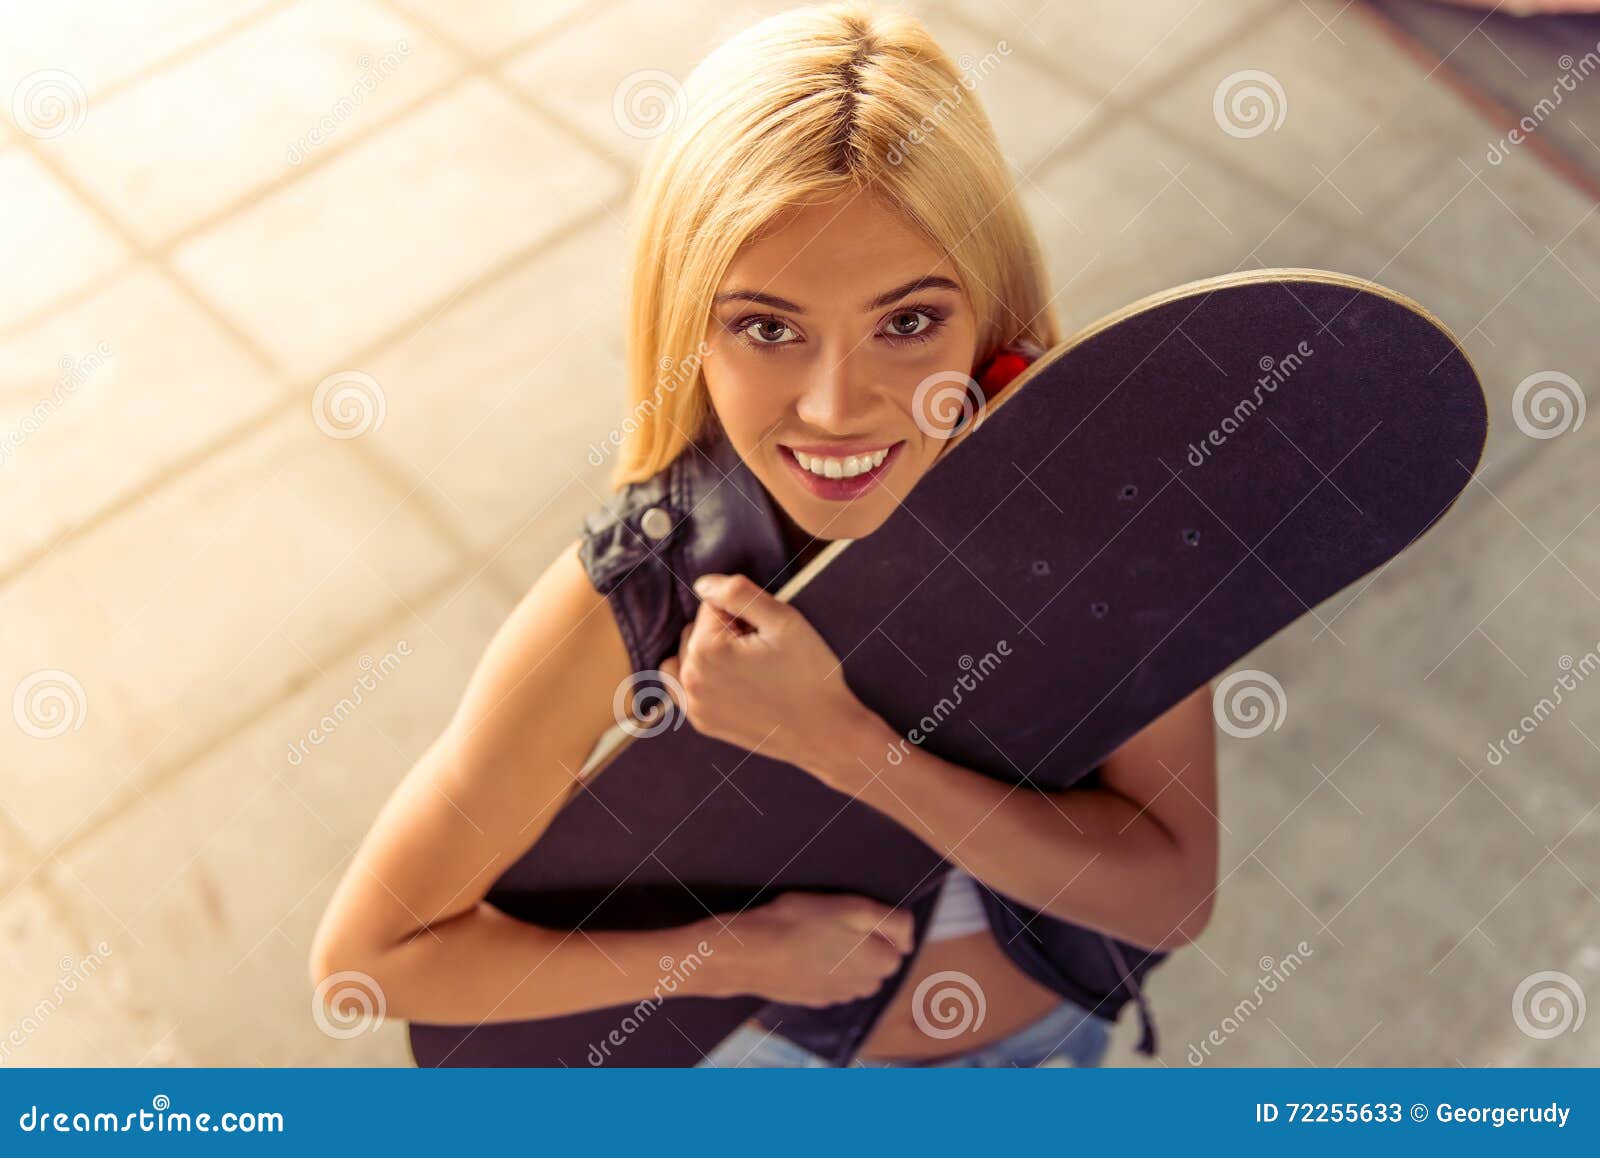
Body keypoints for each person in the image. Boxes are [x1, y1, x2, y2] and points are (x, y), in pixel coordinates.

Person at [310, 0, 1219, 1069]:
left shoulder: (1093, 514)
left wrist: (845, 748)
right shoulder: (647, 581)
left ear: (989, 310)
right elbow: (367, 963)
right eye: (768, 329)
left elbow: (1168, 898)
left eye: (908, 322)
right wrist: (727, 955)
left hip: (1055, 1043)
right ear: (687, 326)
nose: (837, 407)